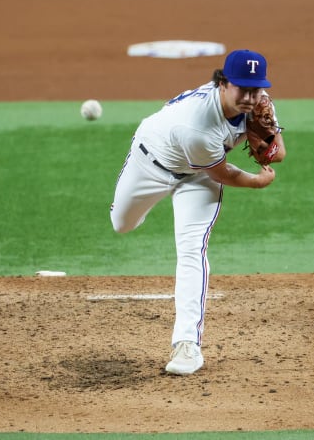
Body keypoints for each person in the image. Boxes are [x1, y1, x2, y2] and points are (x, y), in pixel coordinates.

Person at [110, 49, 286, 375]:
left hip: (198, 177)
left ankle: (187, 345)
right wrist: (257, 183)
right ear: (222, 83)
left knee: (192, 247)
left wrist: (269, 138)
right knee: (122, 224)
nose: (251, 97)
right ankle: (143, 202)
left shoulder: (260, 102)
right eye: (242, 89)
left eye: (257, 88)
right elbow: (225, 174)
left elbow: (277, 154)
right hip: (152, 164)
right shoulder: (199, 125)